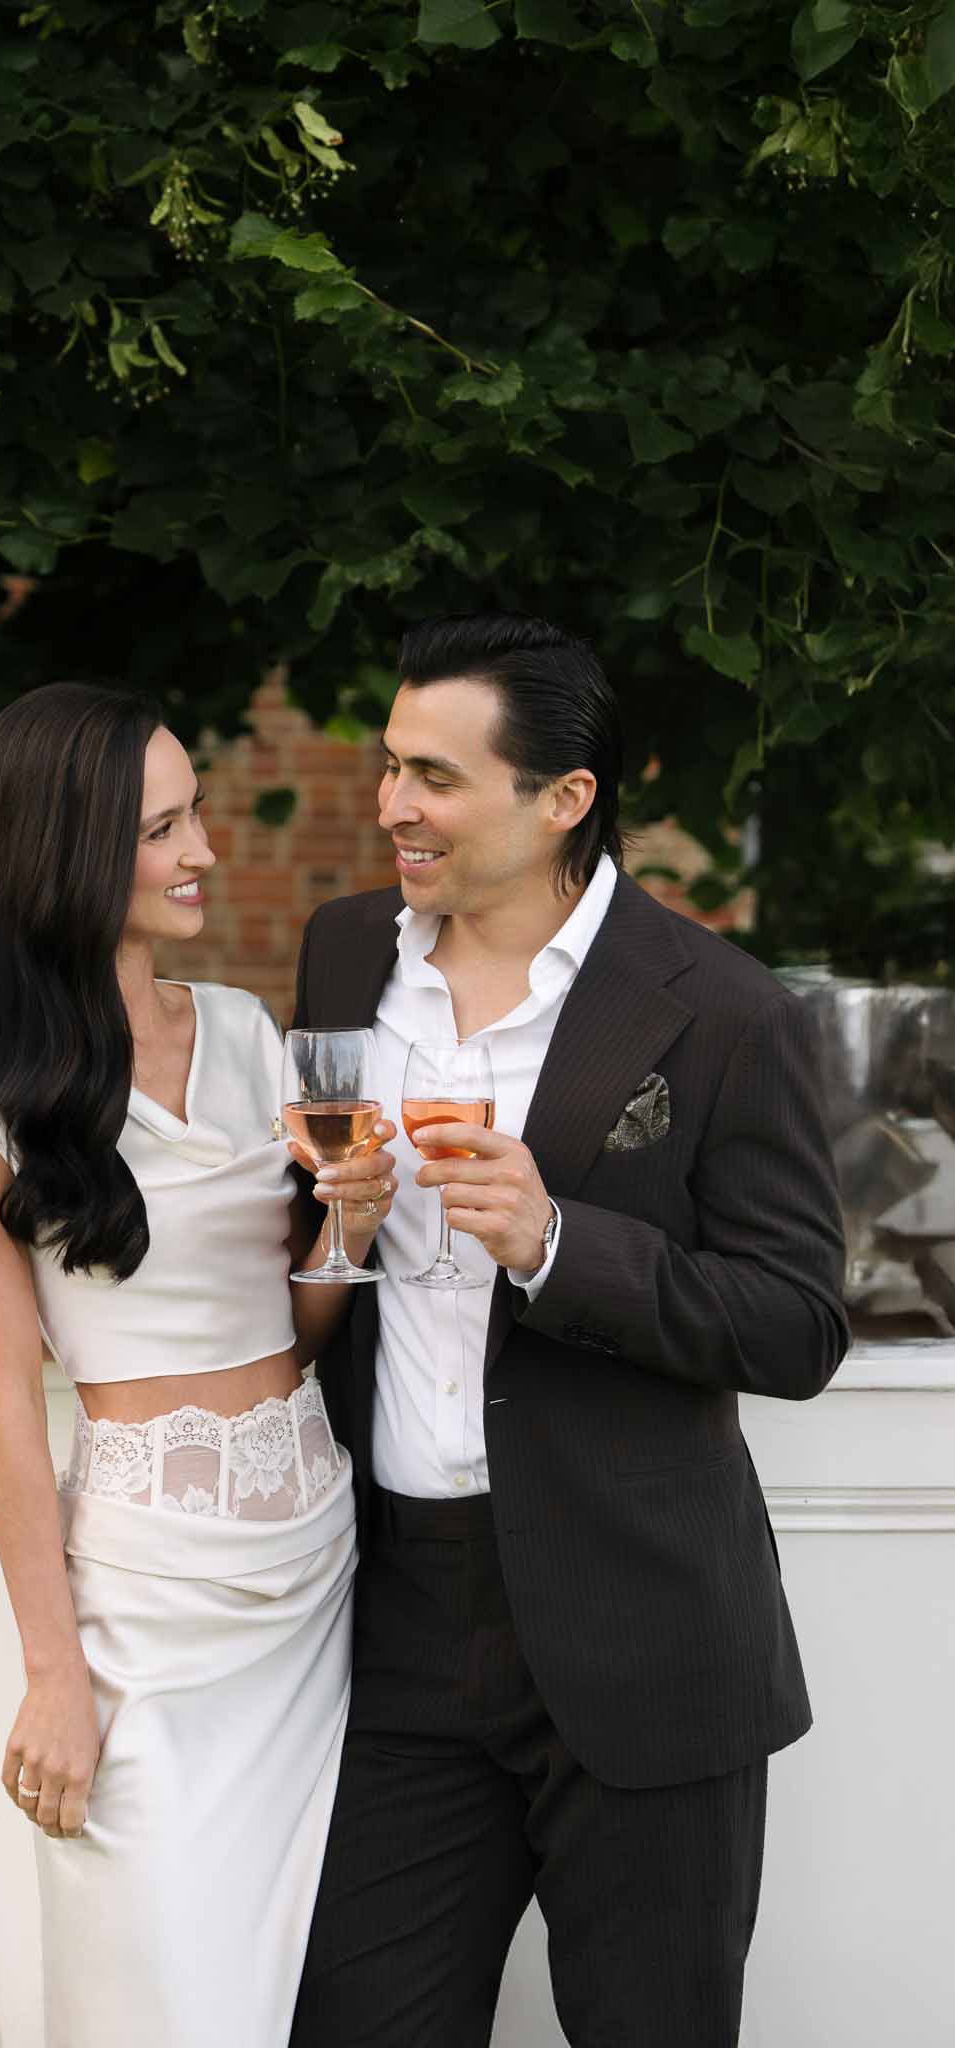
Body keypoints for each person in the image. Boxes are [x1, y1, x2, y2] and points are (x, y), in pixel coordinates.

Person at [288, 611, 850, 2048]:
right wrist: (336, 1224)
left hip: (640, 1626)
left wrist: (555, 1244)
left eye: (435, 776)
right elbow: (315, 1239)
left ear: (563, 799)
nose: (393, 804)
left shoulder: (723, 1011)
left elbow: (797, 1324)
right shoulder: (344, 954)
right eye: (391, 766)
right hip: (395, 1616)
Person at [0, 682, 399, 2047]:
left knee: (304, 1993)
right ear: (67, 853)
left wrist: (350, 1227)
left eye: (196, 817)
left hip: (314, 1575)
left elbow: (289, 1333)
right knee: (162, 2000)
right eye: (162, 830)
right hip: (149, 1613)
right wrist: (54, 1674)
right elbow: (5, 1412)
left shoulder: (248, 1034)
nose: (204, 853)